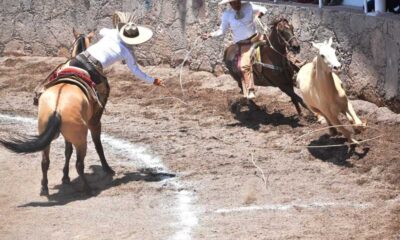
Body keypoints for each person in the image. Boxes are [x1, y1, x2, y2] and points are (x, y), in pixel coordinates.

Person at [202, 0, 267, 99]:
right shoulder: (227, 15)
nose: (236, 4)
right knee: (244, 65)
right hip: (244, 45)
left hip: (256, 38)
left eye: (237, 2)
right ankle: (250, 90)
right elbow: (222, 30)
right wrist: (210, 34)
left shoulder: (249, 6)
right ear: (230, 4)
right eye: (233, 3)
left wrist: (258, 14)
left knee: (275, 44)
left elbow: (264, 8)